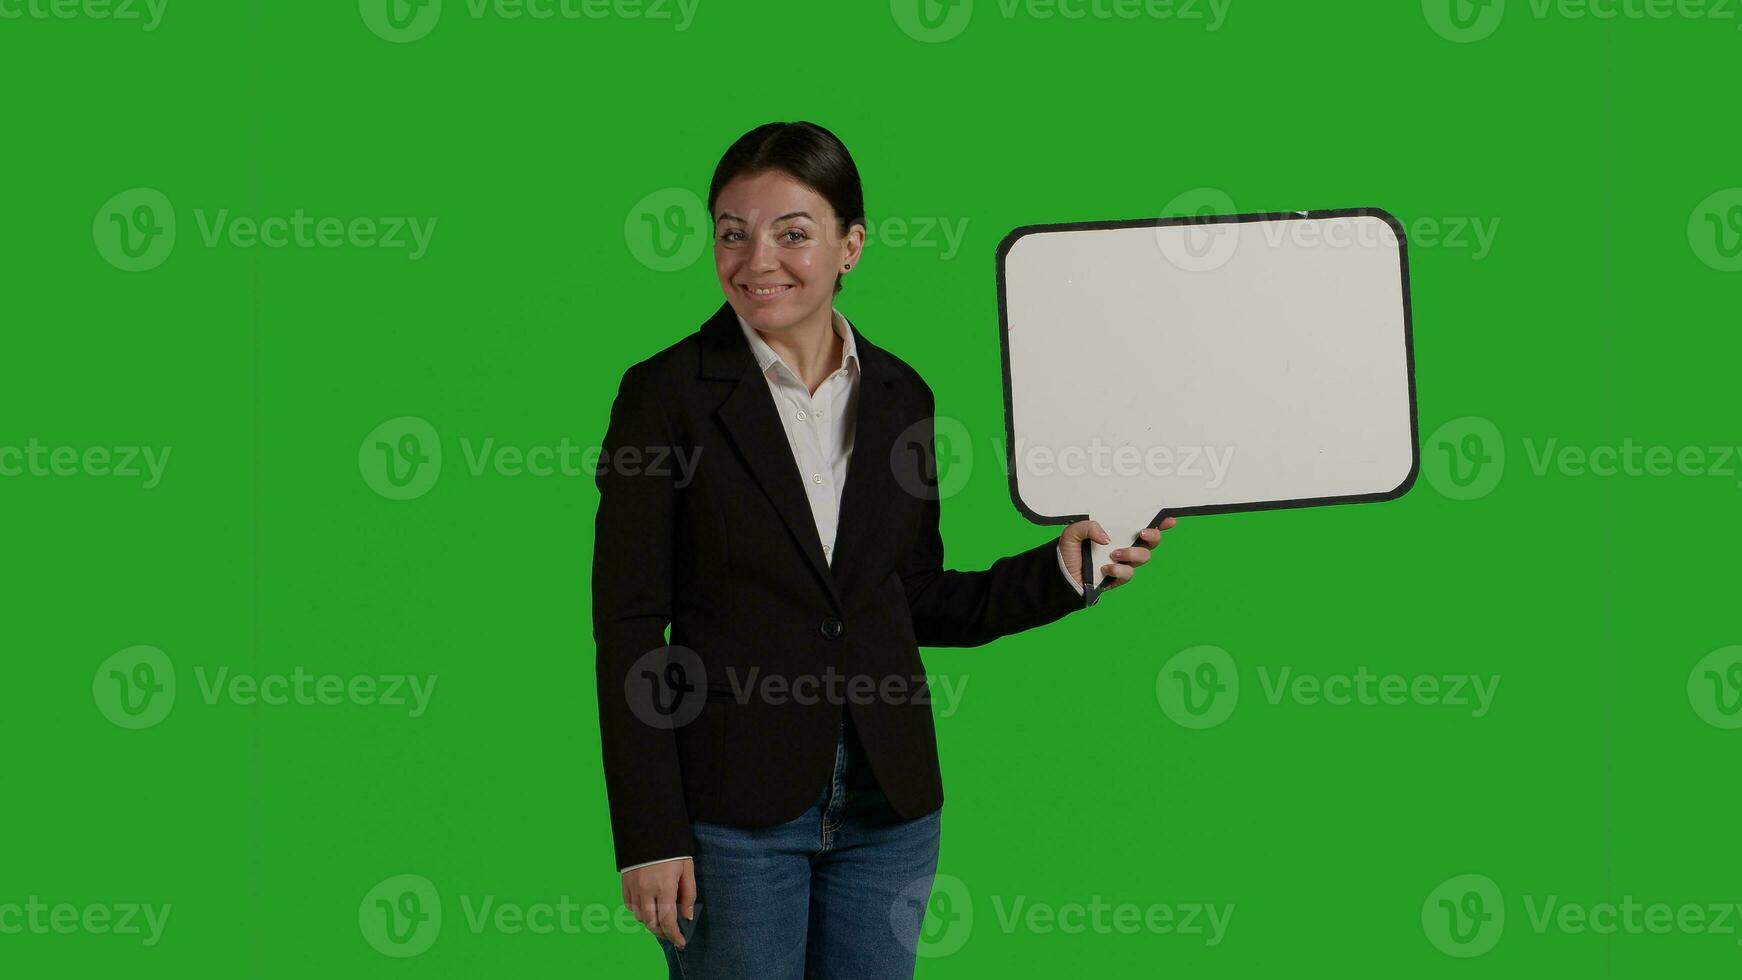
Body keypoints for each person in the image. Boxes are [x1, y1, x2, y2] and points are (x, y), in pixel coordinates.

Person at [593, 120, 1174, 979]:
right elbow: (631, 626)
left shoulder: (904, 394)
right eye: (732, 232)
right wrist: (647, 834)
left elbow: (913, 596)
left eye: (793, 233)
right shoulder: (665, 396)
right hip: (732, 816)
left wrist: (1059, 573)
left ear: (850, 245)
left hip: (889, 810)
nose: (758, 259)